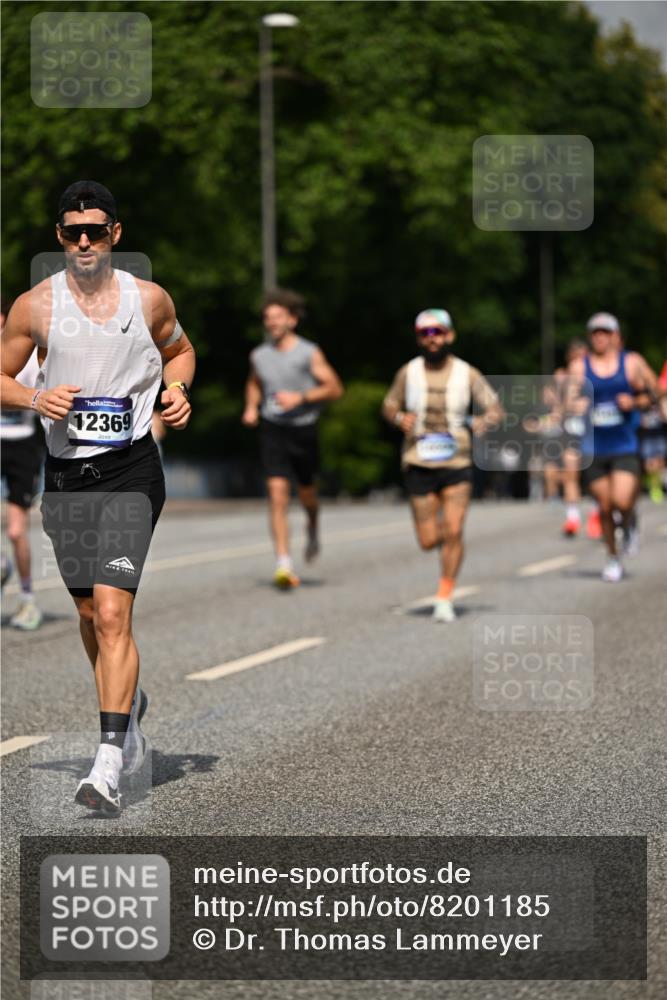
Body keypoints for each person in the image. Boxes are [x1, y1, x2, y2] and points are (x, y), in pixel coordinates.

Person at [0, 181, 195, 814]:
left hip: (132, 472)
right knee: (88, 616)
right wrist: (34, 397)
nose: (83, 241)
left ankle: (108, 761)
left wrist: (178, 391)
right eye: (71, 231)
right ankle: (127, 706)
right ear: (59, 237)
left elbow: (180, 352)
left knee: (113, 615)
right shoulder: (35, 307)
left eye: (95, 230)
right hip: (65, 477)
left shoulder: (149, 299)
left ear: (116, 233)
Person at [383, 309, 502, 622]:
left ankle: (445, 595)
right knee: (427, 541)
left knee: (454, 528)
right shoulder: (408, 372)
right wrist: (399, 418)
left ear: (450, 335)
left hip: (457, 460)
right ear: (419, 338)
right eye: (425, 334)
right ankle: (438, 540)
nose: (432, 339)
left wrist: (482, 422)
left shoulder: (468, 373)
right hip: (418, 460)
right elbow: (389, 405)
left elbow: (494, 408)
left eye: (438, 332)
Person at [242, 289, 343, 589]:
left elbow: (335, 388)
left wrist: (301, 397)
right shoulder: (259, 355)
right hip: (273, 428)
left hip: (303, 429)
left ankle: (312, 523)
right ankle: (283, 563)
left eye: (277, 317)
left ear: (292, 320)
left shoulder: (309, 352)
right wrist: (250, 407)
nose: (271, 322)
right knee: (277, 493)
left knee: (308, 494)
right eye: (267, 318)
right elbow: (254, 382)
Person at [569, 312, 659, 582]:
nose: (600, 337)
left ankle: (630, 522)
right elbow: (564, 403)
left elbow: (657, 393)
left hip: (624, 444)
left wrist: (635, 401)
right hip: (593, 447)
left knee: (622, 501)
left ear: (615, 336)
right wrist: (576, 405)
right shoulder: (579, 367)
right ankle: (612, 557)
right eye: (595, 332)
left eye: (605, 332)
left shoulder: (632, 363)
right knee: (605, 507)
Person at [0, 301, 44, 629]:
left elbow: (36, 395)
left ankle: (27, 599)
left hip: (24, 446)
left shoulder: (24, 354)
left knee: (16, 531)